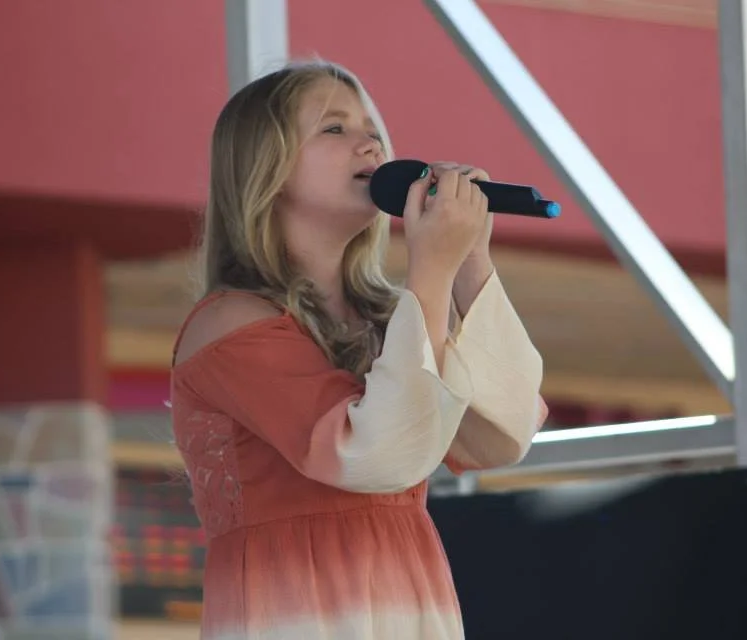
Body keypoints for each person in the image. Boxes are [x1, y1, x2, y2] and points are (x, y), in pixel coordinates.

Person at [170, 60, 548, 640]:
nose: (369, 141)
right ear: (263, 169)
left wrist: (470, 262)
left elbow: (501, 434)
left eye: (370, 125)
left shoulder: (390, 316)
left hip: (409, 603)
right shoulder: (228, 325)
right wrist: (431, 272)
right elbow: (374, 454)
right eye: (333, 128)